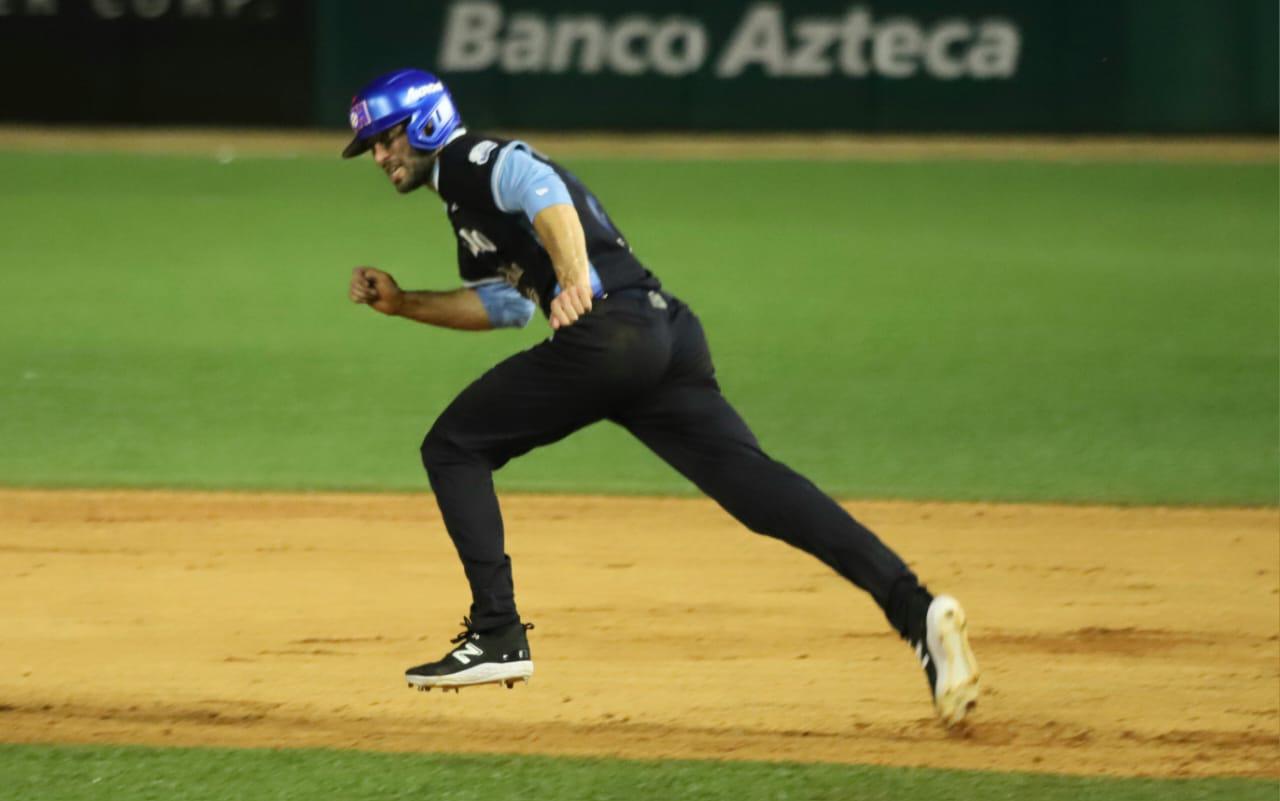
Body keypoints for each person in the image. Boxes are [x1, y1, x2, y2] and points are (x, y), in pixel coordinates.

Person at [342, 68, 980, 726]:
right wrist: (402, 303)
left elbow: (539, 185)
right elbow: (506, 307)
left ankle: (497, 631)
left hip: (611, 333)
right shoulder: (462, 205)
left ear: (423, 123)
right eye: (371, 148)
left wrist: (572, 279)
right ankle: (918, 610)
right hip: (662, 334)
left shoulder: (468, 160)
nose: (380, 156)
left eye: (385, 139)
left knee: (453, 447)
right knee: (758, 491)